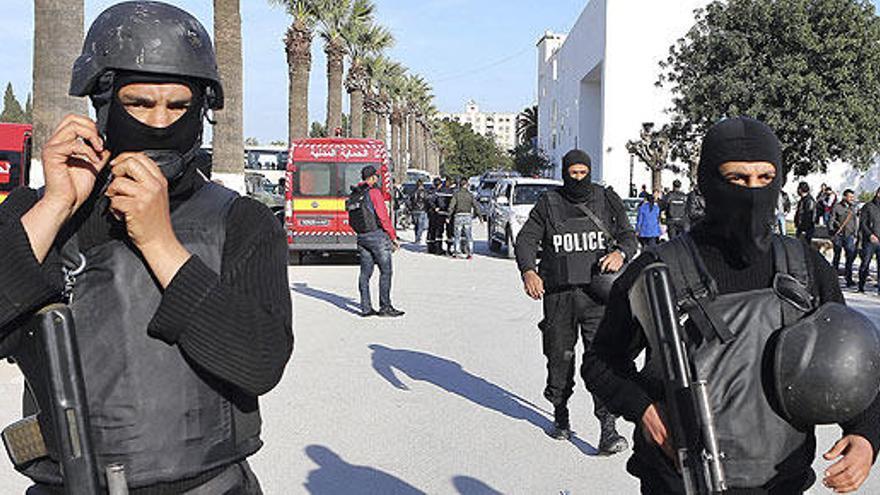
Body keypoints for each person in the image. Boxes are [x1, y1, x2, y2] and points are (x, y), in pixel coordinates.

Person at [0, 2, 293, 493]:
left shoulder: (241, 221)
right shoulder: (44, 209)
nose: (159, 122)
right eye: (139, 104)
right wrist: (56, 204)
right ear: (104, 102)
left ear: (201, 109)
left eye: (177, 106)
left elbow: (259, 361)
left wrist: (161, 244)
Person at [583, 117, 880, 494]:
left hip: (781, 481)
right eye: (736, 179)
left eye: (764, 178)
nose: (752, 192)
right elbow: (601, 361)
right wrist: (643, 407)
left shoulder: (805, 267)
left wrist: (866, 437)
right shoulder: (657, 271)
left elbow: (858, 365)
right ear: (708, 181)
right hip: (678, 481)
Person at [514, 149, 637, 455]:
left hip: (599, 298)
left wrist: (620, 252)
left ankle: (608, 429)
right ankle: (560, 413)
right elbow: (526, 240)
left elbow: (628, 236)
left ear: (590, 171)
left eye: (583, 173)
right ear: (565, 172)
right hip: (559, 296)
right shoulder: (548, 203)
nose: (578, 178)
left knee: (602, 360)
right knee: (560, 358)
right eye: (573, 173)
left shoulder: (607, 199)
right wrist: (529, 271)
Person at [352, 165, 403, 317]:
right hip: (376, 237)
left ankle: (366, 308)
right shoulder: (374, 192)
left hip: (362, 236)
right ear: (373, 177)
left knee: (365, 274)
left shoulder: (355, 193)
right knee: (386, 272)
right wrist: (393, 236)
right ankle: (385, 307)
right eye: (376, 177)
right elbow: (383, 217)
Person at [830, 189, 858, 287]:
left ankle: (848, 279)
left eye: (852, 197)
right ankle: (833, 278)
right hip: (839, 235)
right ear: (844, 197)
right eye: (850, 197)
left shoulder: (853, 208)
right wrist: (832, 232)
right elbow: (831, 220)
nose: (852, 199)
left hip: (849, 235)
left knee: (849, 257)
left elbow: (855, 221)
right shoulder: (837, 207)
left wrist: (855, 234)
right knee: (837, 256)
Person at [447, 177, 479, 259]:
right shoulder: (470, 195)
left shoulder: (456, 194)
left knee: (457, 235)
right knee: (468, 235)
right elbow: (475, 205)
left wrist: (449, 215)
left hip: (458, 215)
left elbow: (451, 206)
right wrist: (479, 215)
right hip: (467, 215)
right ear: (466, 185)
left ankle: (457, 252)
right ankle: (470, 253)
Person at [858, 187, 880, 294]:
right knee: (865, 263)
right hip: (870, 240)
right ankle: (861, 286)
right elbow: (863, 223)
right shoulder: (868, 206)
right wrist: (870, 235)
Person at [426, 177, 445, 255]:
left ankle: (431, 247)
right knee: (438, 230)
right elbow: (433, 201)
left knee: (431, 230)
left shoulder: (430, 191)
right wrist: (436, 208)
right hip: (436, 213)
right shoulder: (436, 192)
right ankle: (437, 248)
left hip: (431, 213)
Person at [409, 179, 429, 245]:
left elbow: (409, 200)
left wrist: (410, 208)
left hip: (414, 209)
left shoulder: (413, 192)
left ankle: (417, 237)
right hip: (421, 210)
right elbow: (426, 200)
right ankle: (418, 238)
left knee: (416, 225)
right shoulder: (424, 192)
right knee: (420, 225)